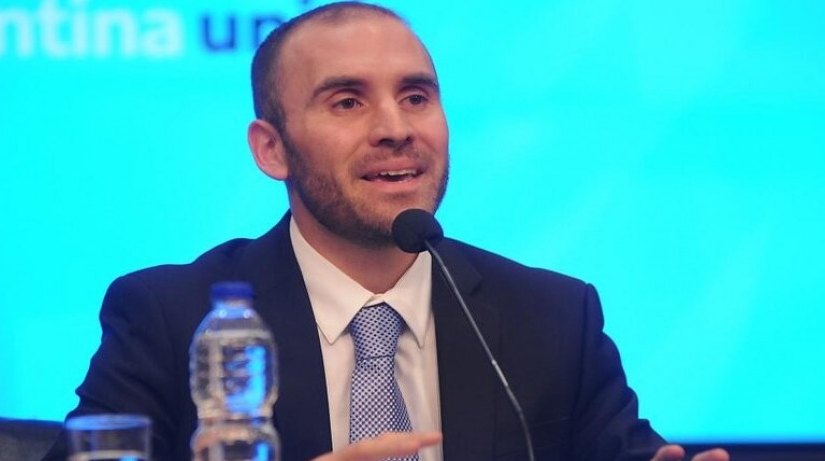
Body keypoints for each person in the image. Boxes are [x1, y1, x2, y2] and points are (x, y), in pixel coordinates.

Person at [43, 2, 729, 461]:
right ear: (271, 149)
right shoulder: (172, 317)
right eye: (347, 101)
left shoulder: (552, 316)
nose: (396, 128)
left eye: (416, 96)